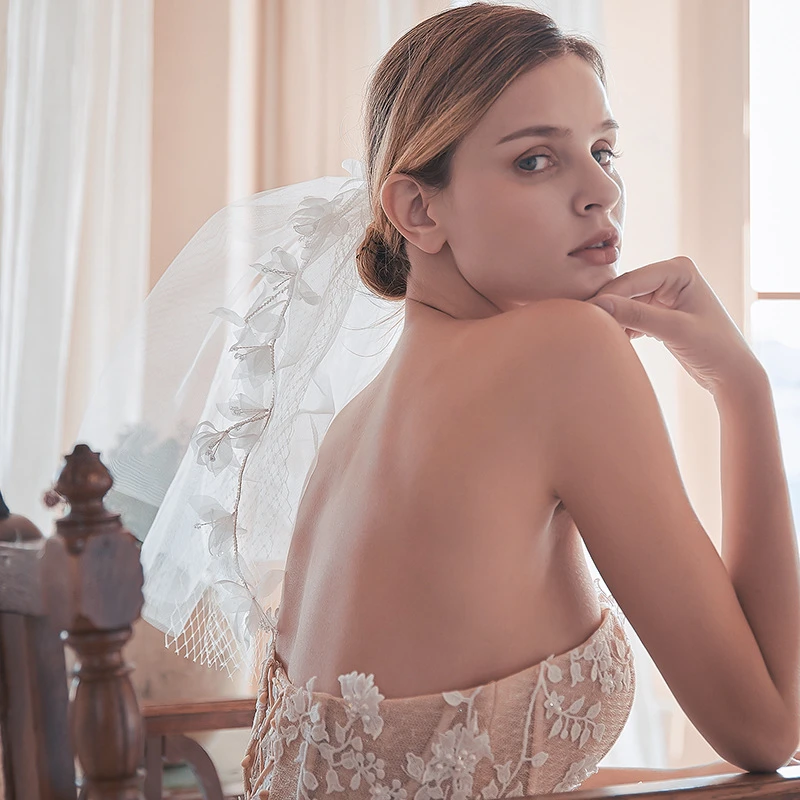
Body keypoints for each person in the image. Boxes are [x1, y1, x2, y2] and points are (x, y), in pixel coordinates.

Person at [78, 3, 798, 797]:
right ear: (419, 209)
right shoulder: (565, 351)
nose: (601, 192)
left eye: (602, 150)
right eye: (535, 161)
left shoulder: (354, 428)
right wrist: (742, 387)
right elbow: (767, 729)